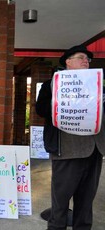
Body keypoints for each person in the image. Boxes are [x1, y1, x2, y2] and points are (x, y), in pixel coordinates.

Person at [36, 45, 105, 230]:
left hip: (94, 149)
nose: (86, 61)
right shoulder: (51, 85)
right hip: (67, 150)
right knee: (61, 200)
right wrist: (64, 101)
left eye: (88, 59)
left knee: (86, 200)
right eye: (81, 57)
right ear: (68, 61)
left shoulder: (99, 85)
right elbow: (41, 109)